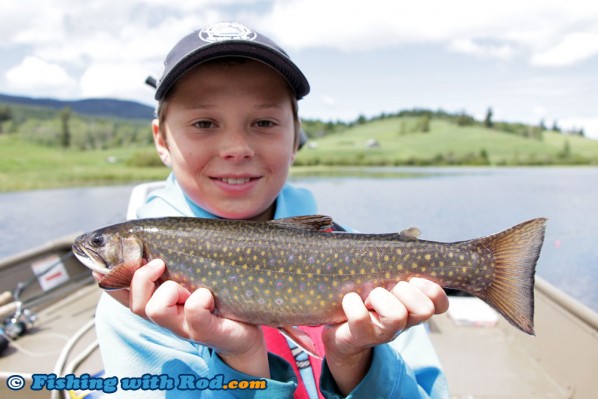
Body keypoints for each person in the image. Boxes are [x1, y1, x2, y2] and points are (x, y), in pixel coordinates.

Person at [94, 21, 450, 398]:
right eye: (203, 123)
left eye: (264, 122)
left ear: (296, 137)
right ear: (161, 140)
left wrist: (355, 357)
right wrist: (241, 358)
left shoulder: (352, 254)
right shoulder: (136, 304)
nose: (236, 147)